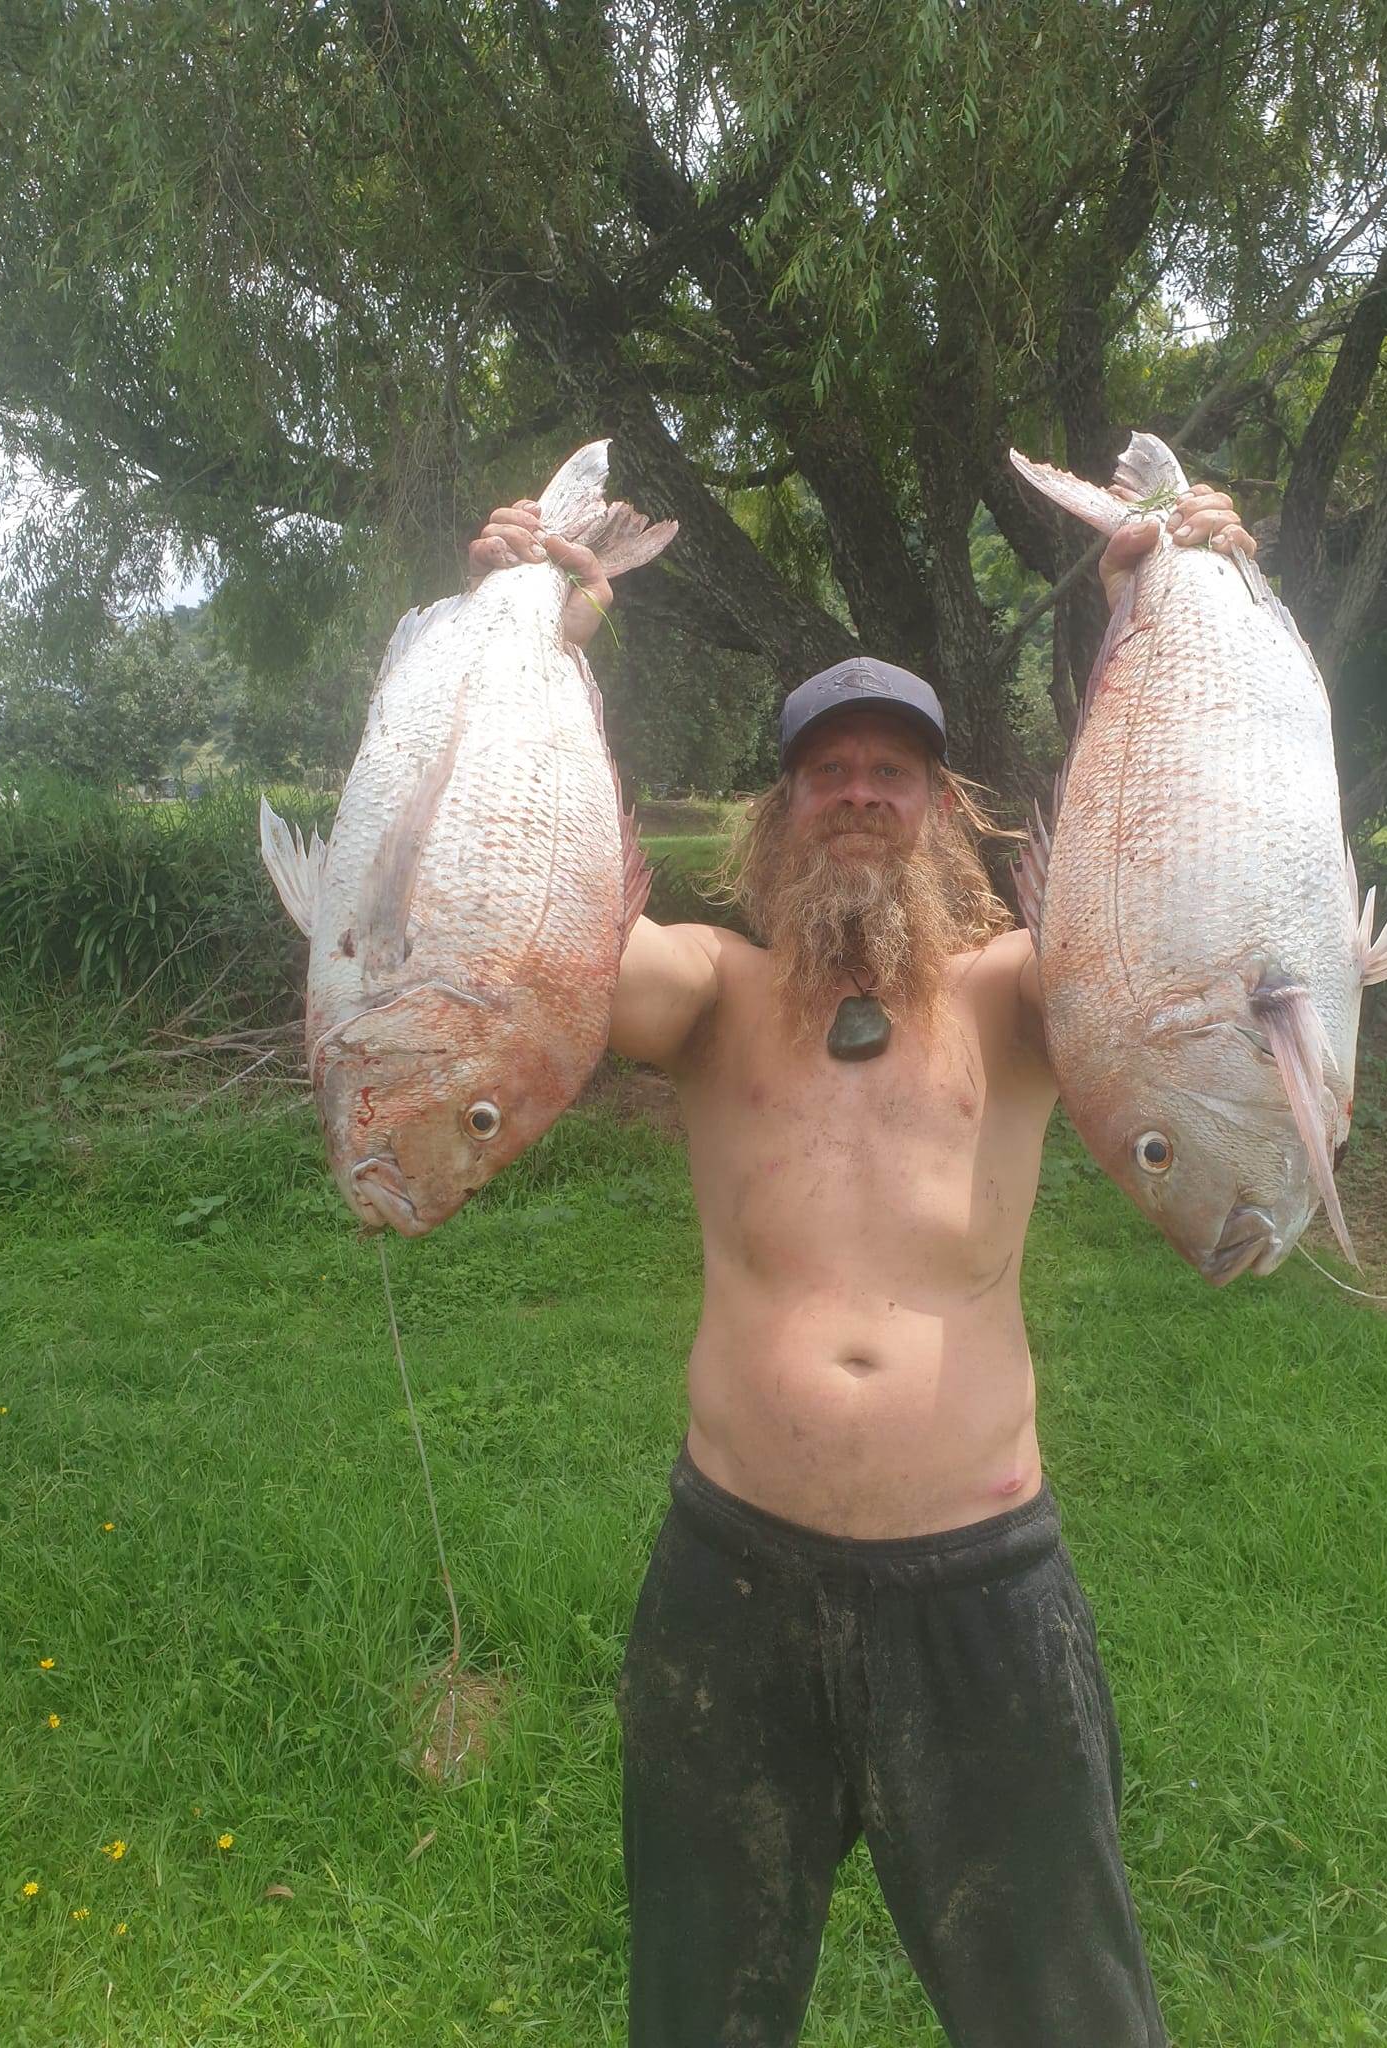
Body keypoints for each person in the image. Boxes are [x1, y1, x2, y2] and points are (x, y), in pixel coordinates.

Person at [469, 476, 1256, 2048]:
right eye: (826, 772)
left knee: (1064, 2009)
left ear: (941, 811)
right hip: (730, 1579)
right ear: (779, 814)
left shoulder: (1023, 997)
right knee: (699, 2004)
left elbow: (1194, 907)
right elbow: (530, 931)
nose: (858, 795)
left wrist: (1179, 612)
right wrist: (537, 642)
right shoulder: (710, 991)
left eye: (892, 772)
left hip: (980, 1588)